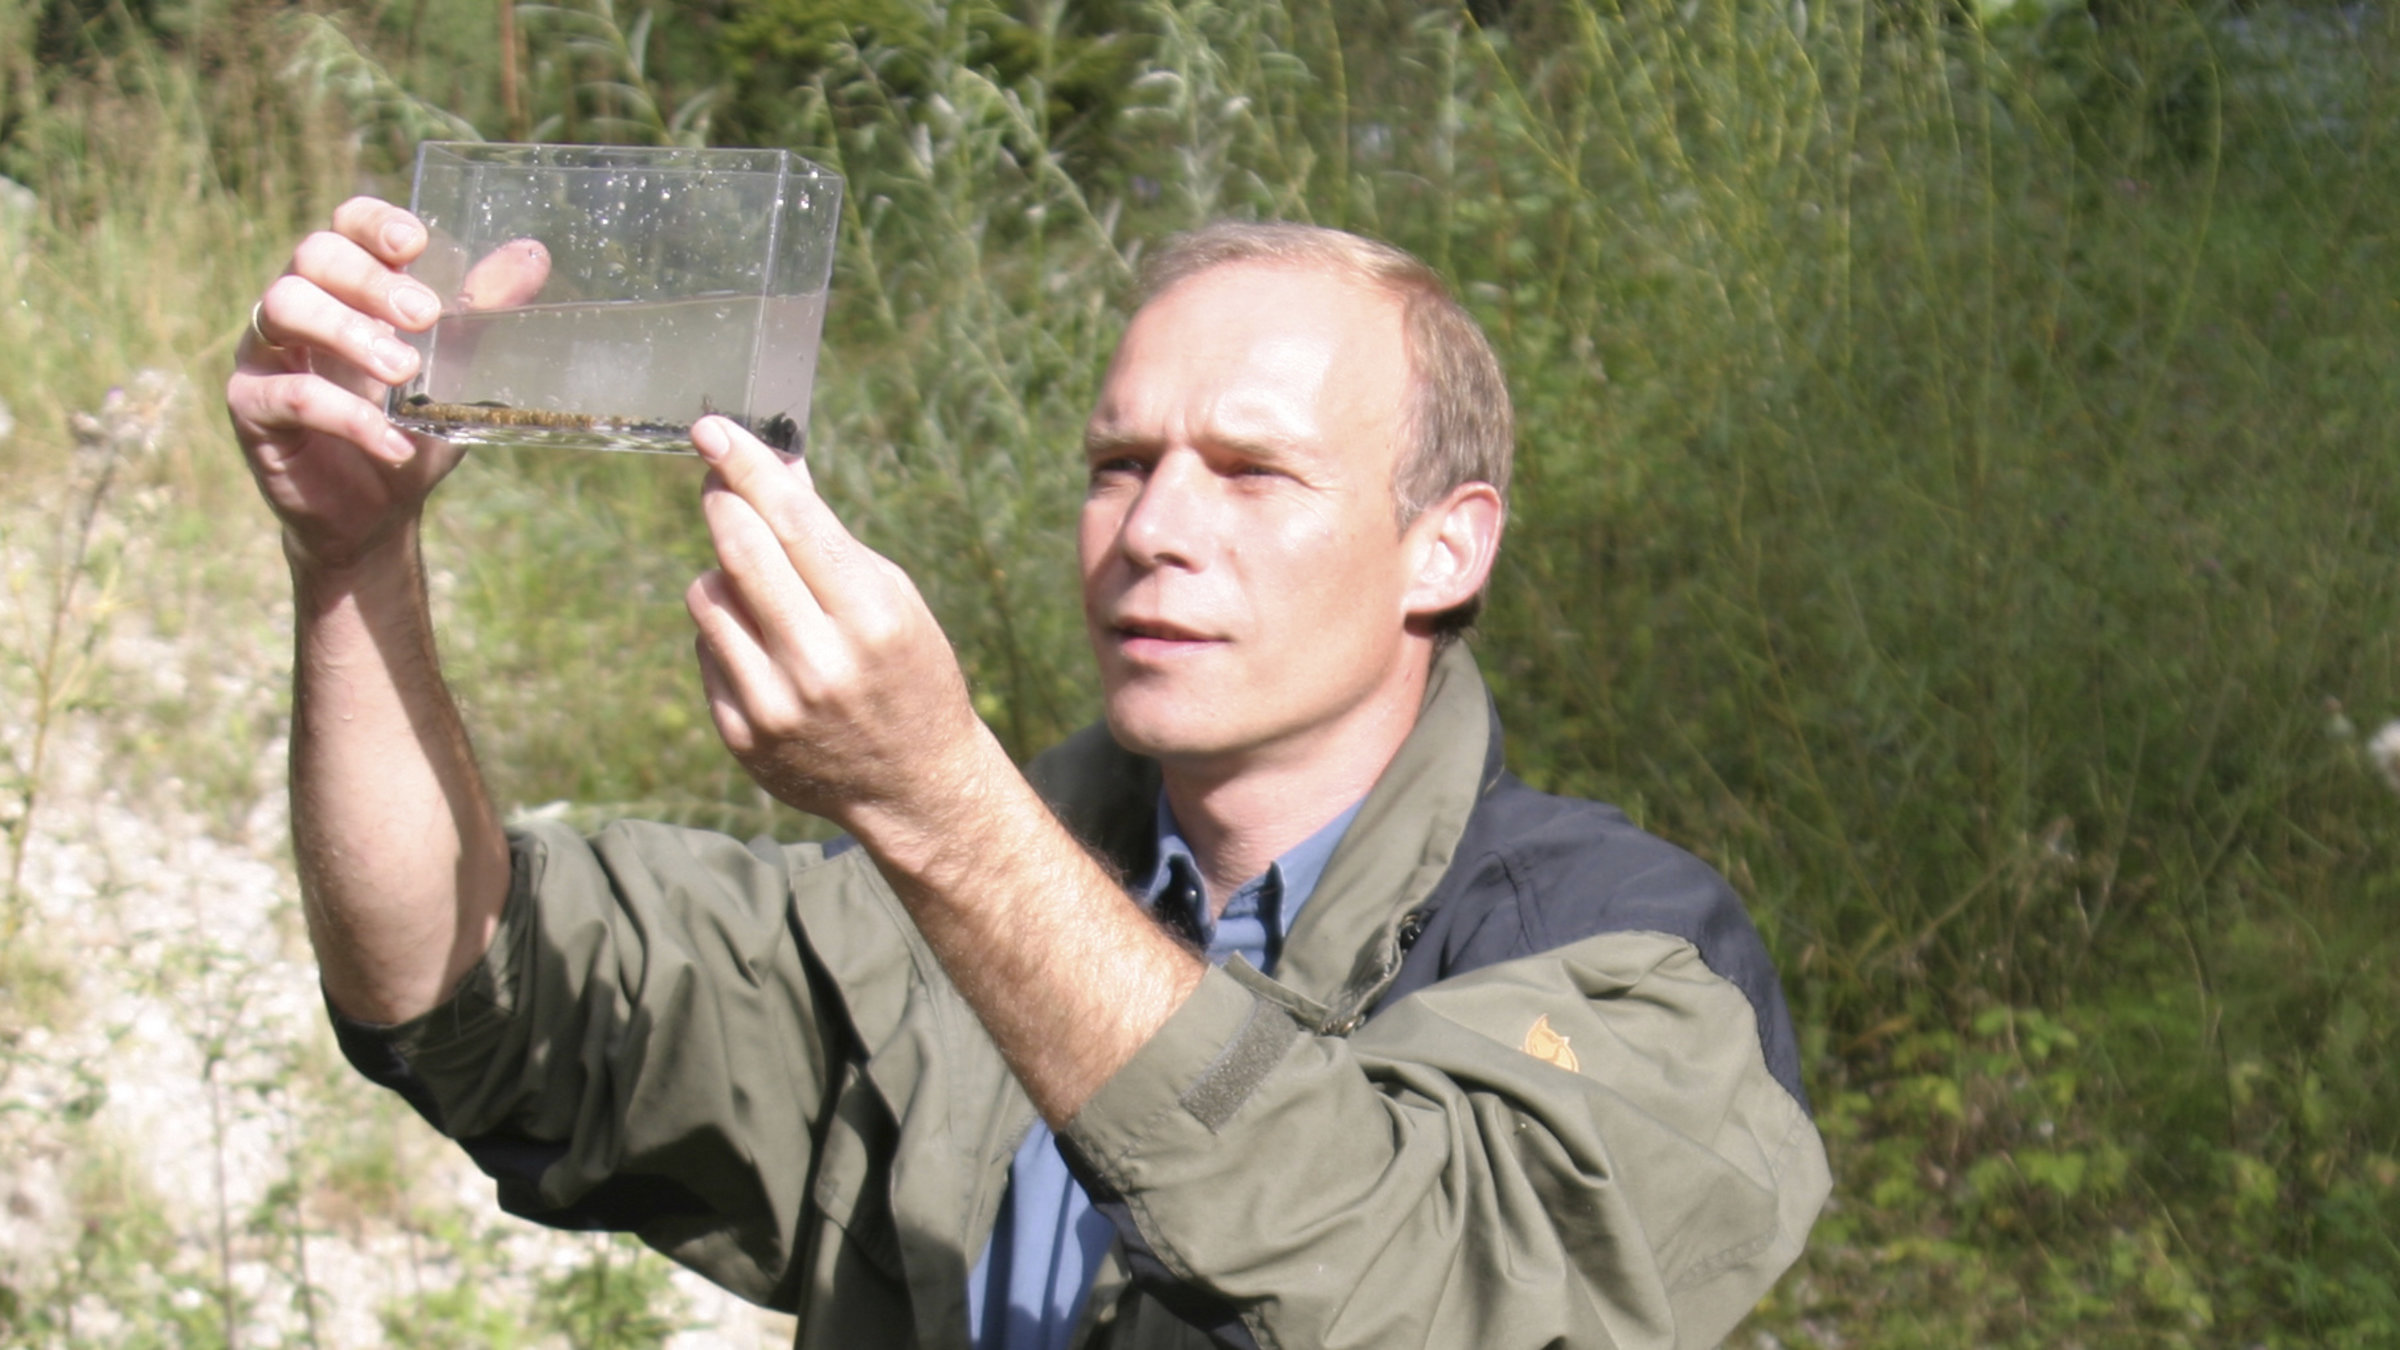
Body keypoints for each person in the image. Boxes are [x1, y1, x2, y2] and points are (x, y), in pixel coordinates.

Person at [225, 198, 1829, 1350]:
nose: (1155, 529)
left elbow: (1416, 1282)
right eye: (1118, 465)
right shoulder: (915, 922)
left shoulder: (1624, 949)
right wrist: (351, 561)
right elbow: (456, 988)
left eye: (1255, 471)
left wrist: (941, 804)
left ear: (1444, 547)